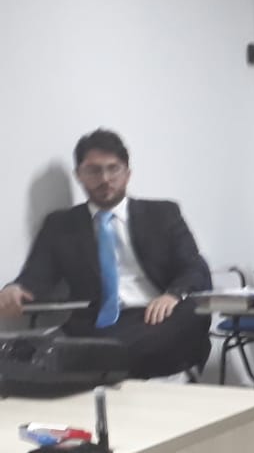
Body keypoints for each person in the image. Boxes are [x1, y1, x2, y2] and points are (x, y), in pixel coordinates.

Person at [0, 129, 211, 379]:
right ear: (79, 175)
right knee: (20, 352)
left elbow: (194, 267)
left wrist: (172, 295)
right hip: (98, 323)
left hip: (157, 315)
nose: (105, 178)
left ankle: (96, 360)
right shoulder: (60, 225)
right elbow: (37, 274)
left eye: (114, 169)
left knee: (190, 317)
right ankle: (99, 360)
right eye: (93, 171)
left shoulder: (162, 214)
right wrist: (15, 288)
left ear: (127, 173)